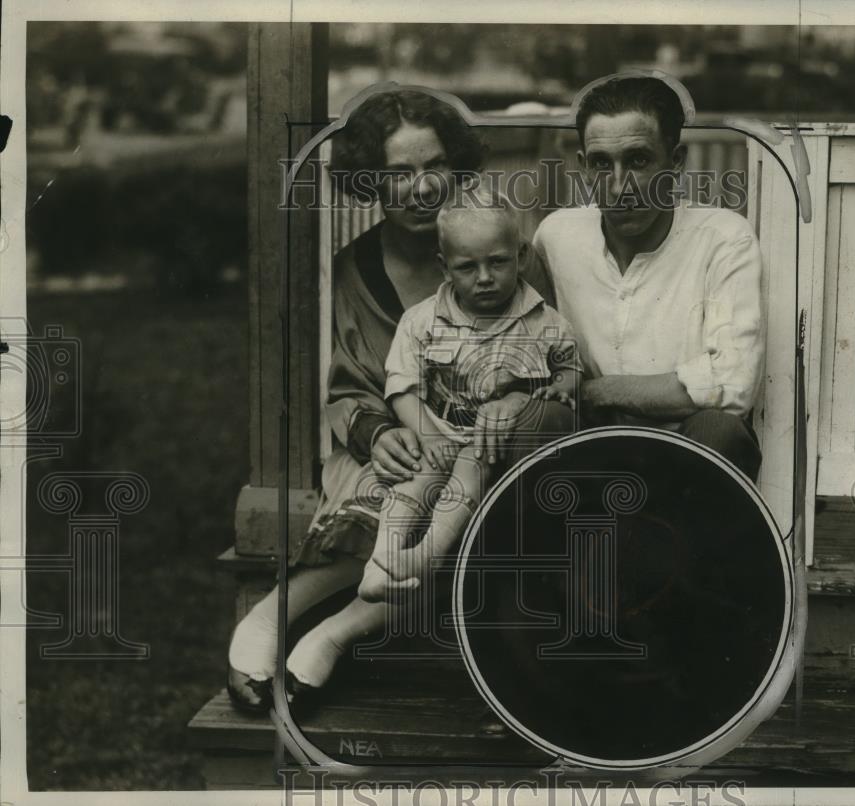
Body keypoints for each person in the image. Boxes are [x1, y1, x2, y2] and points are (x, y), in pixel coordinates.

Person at [226, 88, 556, 713]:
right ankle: (272, 617)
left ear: (455, 167)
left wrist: (511, 402)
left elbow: (548, 352)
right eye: (399, 173)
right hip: (395, 438)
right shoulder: (354, 269)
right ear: (370, 180)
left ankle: (332, 634)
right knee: (390, 490)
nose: (422, 187)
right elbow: (349, 383)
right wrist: (378, 433)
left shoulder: (501, 252)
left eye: (433, 166)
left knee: (458, 503)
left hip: (488, 442)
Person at [532, 74, 765, 481]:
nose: (620, 186)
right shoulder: (556, 236)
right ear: (584, 168)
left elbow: (732, 385)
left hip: (682, 462)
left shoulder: (723, 237)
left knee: (720, 431)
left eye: (638, 160)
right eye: (602, 164)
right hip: (587, 455)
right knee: (541, 416)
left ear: (675, 162)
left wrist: (598, 391)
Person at [358, 190, 581, 602]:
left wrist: (560, 387)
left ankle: (429, 554)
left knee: (469, 466)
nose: (484, 278)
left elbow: (571, 368)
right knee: (411, 478)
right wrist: (428, 435)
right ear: (445, 267)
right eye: (467, 267)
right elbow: (402, 387)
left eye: (498, 262)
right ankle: (382, 561)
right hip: (436, 434)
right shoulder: (423, 321)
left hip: (492, 448)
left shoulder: (544, 321)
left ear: (521, 255)